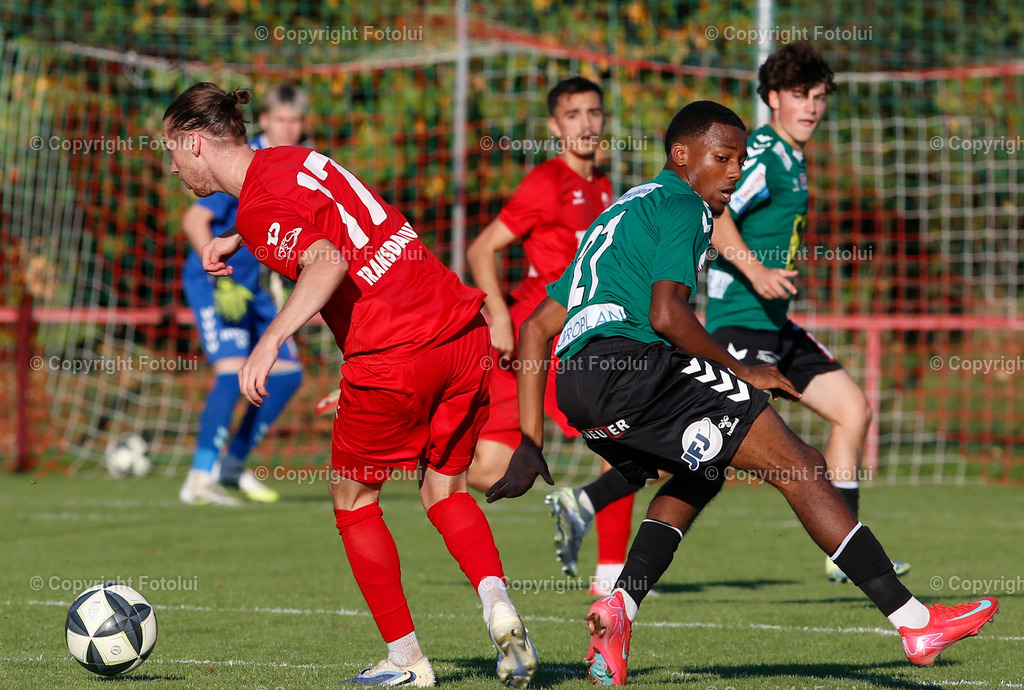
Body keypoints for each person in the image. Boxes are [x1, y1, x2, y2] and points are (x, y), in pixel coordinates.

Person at [486, 100, 997, 685]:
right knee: (800, 464)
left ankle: (619, 609)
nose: (733, 171)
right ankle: (915, 620)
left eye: (740, 159)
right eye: (722, 157)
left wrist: (531, 440)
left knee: (703, 470)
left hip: (580, 388)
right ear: (682, 156)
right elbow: (667, 313)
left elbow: (535, 328)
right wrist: (738, 368)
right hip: (634, 370)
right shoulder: (685, 204)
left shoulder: (620, 210)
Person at [163, 82, 537, 688]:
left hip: (392, 353)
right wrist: (244, 239)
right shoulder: (287, 159)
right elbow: (332, 217)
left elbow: (328, 260)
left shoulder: (259, 209)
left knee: (353, 499)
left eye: (171, 152)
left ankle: (407, 660)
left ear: (195, 141)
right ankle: (498, 604)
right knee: (445, 489)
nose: (171, 166)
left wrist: (271, 338)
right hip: (462, 330)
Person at [706, 41, 907, 582]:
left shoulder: (792, 157)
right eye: (800, 95)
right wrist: (756, 271)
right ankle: (591, 500)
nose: (812, 106)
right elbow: (716, 212)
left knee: (852, 408)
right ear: (772, 97)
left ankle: (845, 554)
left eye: (819, 96)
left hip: (775, 322)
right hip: (740, 318)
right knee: (714, 448)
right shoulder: (765, 152)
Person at [466, 76, 637, 593]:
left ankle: (609, 573)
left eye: (593, 112)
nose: (586, 123)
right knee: (487, 470)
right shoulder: (546, 181)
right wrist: (497, 313)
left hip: (579, 338)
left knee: (621, 445)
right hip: (536, 338)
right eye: (573, 114)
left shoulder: (607, 185)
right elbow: (480, 249)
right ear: (554, 126)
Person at [177, 84, 309, 505]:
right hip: (219, 283)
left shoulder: (291, 163)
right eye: (282, 119)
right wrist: (216, 273)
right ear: (265, 119)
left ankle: (232, 464)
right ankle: (199, 477)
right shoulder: (238, 160)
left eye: (296, 120)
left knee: (288, 374)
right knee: (233, 370)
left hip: (251, 288)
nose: (290, 127)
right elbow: (195, 220)